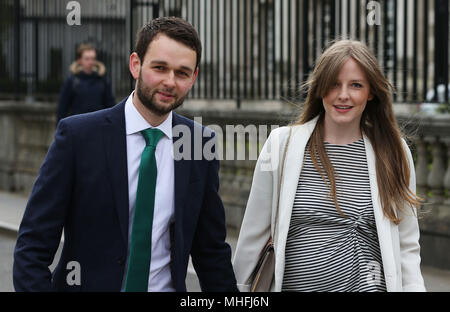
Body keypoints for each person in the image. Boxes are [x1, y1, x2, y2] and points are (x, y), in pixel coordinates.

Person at [14, 17, 237, 292]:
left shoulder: (199, 143)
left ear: (194, 77)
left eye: (182, 73)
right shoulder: (77, 137)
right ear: (136, 65)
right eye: (159, 68)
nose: (170, 82)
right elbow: (32, 247)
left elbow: (211, 251)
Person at [233, 40, 426, 292]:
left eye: (355, 85)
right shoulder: (280, 146)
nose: (343, 94)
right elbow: (253, 237)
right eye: (334, 83)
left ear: (370, 92)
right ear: (320, 88)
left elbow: (407, 247)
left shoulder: (394, 152)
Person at [56, 43, 116, 123]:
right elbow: (62, 108)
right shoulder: (72, 81)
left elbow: (110, 106)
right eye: (87, 59)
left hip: (98, 125)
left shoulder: (102, 81)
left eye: (93, 58)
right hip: (78, 126)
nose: (91, 62)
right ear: (79, 60)